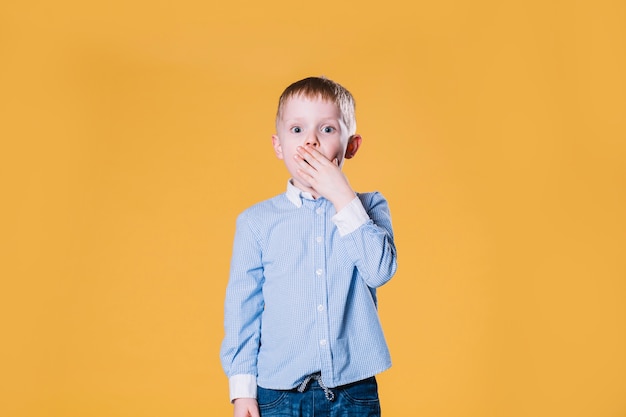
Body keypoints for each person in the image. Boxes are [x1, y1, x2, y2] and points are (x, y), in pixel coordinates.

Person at [220, 76, 398, 417]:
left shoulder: (370, 207)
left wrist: (341, 194)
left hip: (353, 392)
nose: (311, 141)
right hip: (278, 394)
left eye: (327, 130)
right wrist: (242, 390)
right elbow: (243, 309)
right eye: (297, 130)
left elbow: (379, 271)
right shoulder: (256, 221)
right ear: (278, 145)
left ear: (351, 145)